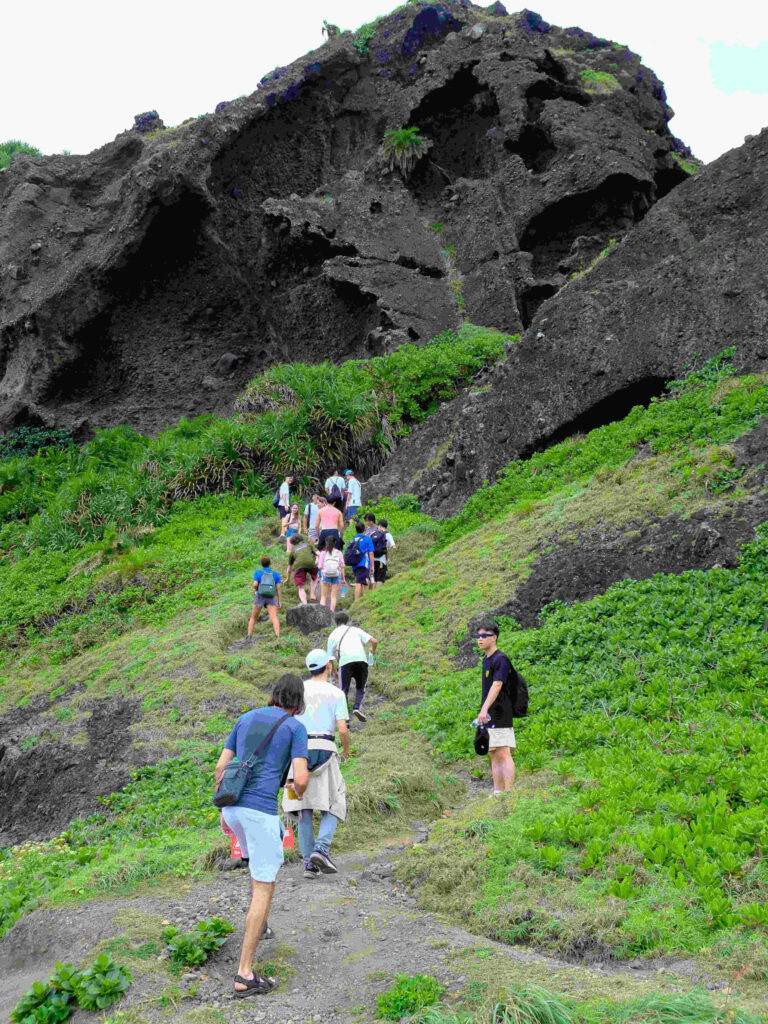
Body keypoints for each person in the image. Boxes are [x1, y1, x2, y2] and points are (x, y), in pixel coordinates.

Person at [214, 675, 309, 998]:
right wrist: (296, 789)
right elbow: (302, 777)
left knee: (260, 867)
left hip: (232, 807)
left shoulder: (245, 718)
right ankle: (244, 974)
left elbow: (220, 768)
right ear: (299, 700)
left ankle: (261, 925)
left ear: (274, 695)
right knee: (264, 885)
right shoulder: (295, 727)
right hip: (259, 811)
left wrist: (224, 816)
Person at [282, 649, 349, 878]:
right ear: (329, 666)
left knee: (303, 807)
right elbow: (342, 728)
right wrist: (346, 750)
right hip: (326, 749)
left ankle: (309, 865)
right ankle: (322, 848)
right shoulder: (336, 692)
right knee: (336, 799)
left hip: (298, 751)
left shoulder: (298, 688)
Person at [475, 619, 517, 796]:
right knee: (492, 752)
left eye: (485, 636)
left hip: (500, 712)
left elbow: (497, 685)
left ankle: (509, 792)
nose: (480, 639)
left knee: (503, 752)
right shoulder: (486, 659)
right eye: (478, 636)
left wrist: (484, 709)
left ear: (495, 637)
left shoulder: (500, 659)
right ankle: (498, 792)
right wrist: (484, 711)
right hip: (488, 713)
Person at [327, 610, 378, 722]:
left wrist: (335, 672)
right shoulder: (355, 630)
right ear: (348, 622)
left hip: (345, 662)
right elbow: (374, 641)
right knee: (360, 686)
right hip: (361, 660)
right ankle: (357, 707)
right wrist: (372, 651)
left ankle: (345, 717)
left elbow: (329, 658)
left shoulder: (332, 635)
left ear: (336, 623)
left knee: (343, 690)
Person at [249, 555, 282, 639]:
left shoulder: (258, 573)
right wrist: (279, 601)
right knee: (274, 618)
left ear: (261, 564)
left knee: (253, 617)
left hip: (260, 597)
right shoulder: (275, 574)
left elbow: (255, 584)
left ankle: (249, 637)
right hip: (271, 598)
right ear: (269, 564)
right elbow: (278, 588)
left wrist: (256, 590)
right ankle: (278, 636)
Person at [346, 519, 374, 601]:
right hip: (363, 564)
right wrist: (372, 565)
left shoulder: (353, 539)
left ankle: (364, 600)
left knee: (364, 581)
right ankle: (358, 602)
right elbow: (371, 553)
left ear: (356, 529)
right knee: (359, 583)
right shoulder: (367, 539)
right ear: (365, 529)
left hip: (354, 564)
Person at [288, 533, 319, 604]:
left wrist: (287, 578)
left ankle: (305, 604)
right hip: (311, 563)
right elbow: (318, 553)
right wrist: (318, 562)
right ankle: (312, 595)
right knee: (315, 577)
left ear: (292, 542)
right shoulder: (308, 544)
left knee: (301, 588)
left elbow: (289, 567)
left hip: (299, 566)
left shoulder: (293, 551)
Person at [317, 534, 345, 611]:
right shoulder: (339, 553)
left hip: (325, 576)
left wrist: (322, 573)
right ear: (335, 543)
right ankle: (332, 613)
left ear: (326, 543)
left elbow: (320, 566)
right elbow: (342, 566)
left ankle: (322, 613)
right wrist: (343, 578)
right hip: (336, 576)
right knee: (333, 596)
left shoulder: (323, 553)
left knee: (323, 596)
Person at [372, 518, 396, 588]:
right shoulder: (388, 535)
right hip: (381, 560)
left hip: (373, 560)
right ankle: (376, 596)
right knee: (379, 579)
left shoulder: (373, 534)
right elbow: (393, 545)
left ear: (379, 525)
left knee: (374, 579)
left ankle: (371, 596)